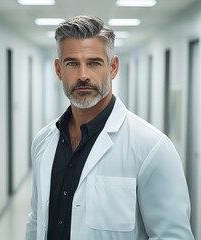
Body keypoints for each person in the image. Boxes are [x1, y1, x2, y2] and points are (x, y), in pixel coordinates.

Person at [25, 15, 194, 240]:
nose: (83, 75)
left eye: (94, 63)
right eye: (72, 63)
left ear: (113, 67)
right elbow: (37, 220)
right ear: (58, 69)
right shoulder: (43, 142)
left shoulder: (152, 148)